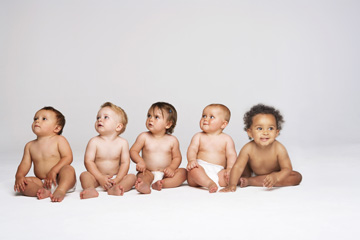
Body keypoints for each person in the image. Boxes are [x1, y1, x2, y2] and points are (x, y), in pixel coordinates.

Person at [220, 104, 302, 192]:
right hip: (251, 171)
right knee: (235, 168)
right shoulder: (248, 148)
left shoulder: (279, 148)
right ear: (250, 132)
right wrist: (232, 185)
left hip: (274, 175)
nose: (265, 132)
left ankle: (250, 181)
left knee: (296, 177)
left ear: (276, 133)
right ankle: (243, 178)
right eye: (260, 128)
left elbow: (287, 169)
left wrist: (276, 177)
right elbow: (238, 167)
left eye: (270, 128)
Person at [14, 106, 76, 202]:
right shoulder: (30, 145)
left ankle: (61, 190)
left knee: (68, 169)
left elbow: (68, 158)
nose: (37, 121)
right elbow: (25, 164)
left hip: (59, 179)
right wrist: (19, 176)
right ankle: (41, 191)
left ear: (57, 128)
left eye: (44, 119)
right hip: (42, 182)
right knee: (23, 184)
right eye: (35, 118)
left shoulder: (59, 140)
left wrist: (54, 171)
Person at [80, 102, 136, 199]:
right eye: (98, 117)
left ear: (118, 126)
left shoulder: (122, 143)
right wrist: (100, 177)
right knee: (84, 175)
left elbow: (125, 163)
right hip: (97, 178)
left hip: (115, 177)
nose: (99, 120)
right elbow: (88, 161)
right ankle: (90, 189)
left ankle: (118, 187)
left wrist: (118, 179)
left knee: (132, 177)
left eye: (105, 117)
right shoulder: (94, 142)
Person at [130, 102, 186, 194]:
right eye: (149, 115)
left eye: (156, 117)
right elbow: (133, 151)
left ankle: (162, 184)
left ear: (168, 124)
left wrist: (171, 168)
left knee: (183, 173)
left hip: (166, 174)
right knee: (141, 176)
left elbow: (177, 157)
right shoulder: (144, 137)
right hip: (148, 171)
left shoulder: (172, 140)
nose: (150, 119)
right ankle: (145, 184)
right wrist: (139, 161)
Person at [186, 104, 237, 193]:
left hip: (218, 171)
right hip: (199, 168)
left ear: (223, 124)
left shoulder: (227, 139)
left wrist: (229, 168)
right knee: (193, 170)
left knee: (233, 175)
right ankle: (209, 183)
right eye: (204, 116)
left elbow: (231, 155)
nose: (205, 119)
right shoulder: (198, 136)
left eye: (211, 117)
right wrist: (191, 160)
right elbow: (192, 149)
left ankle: (241, 180)